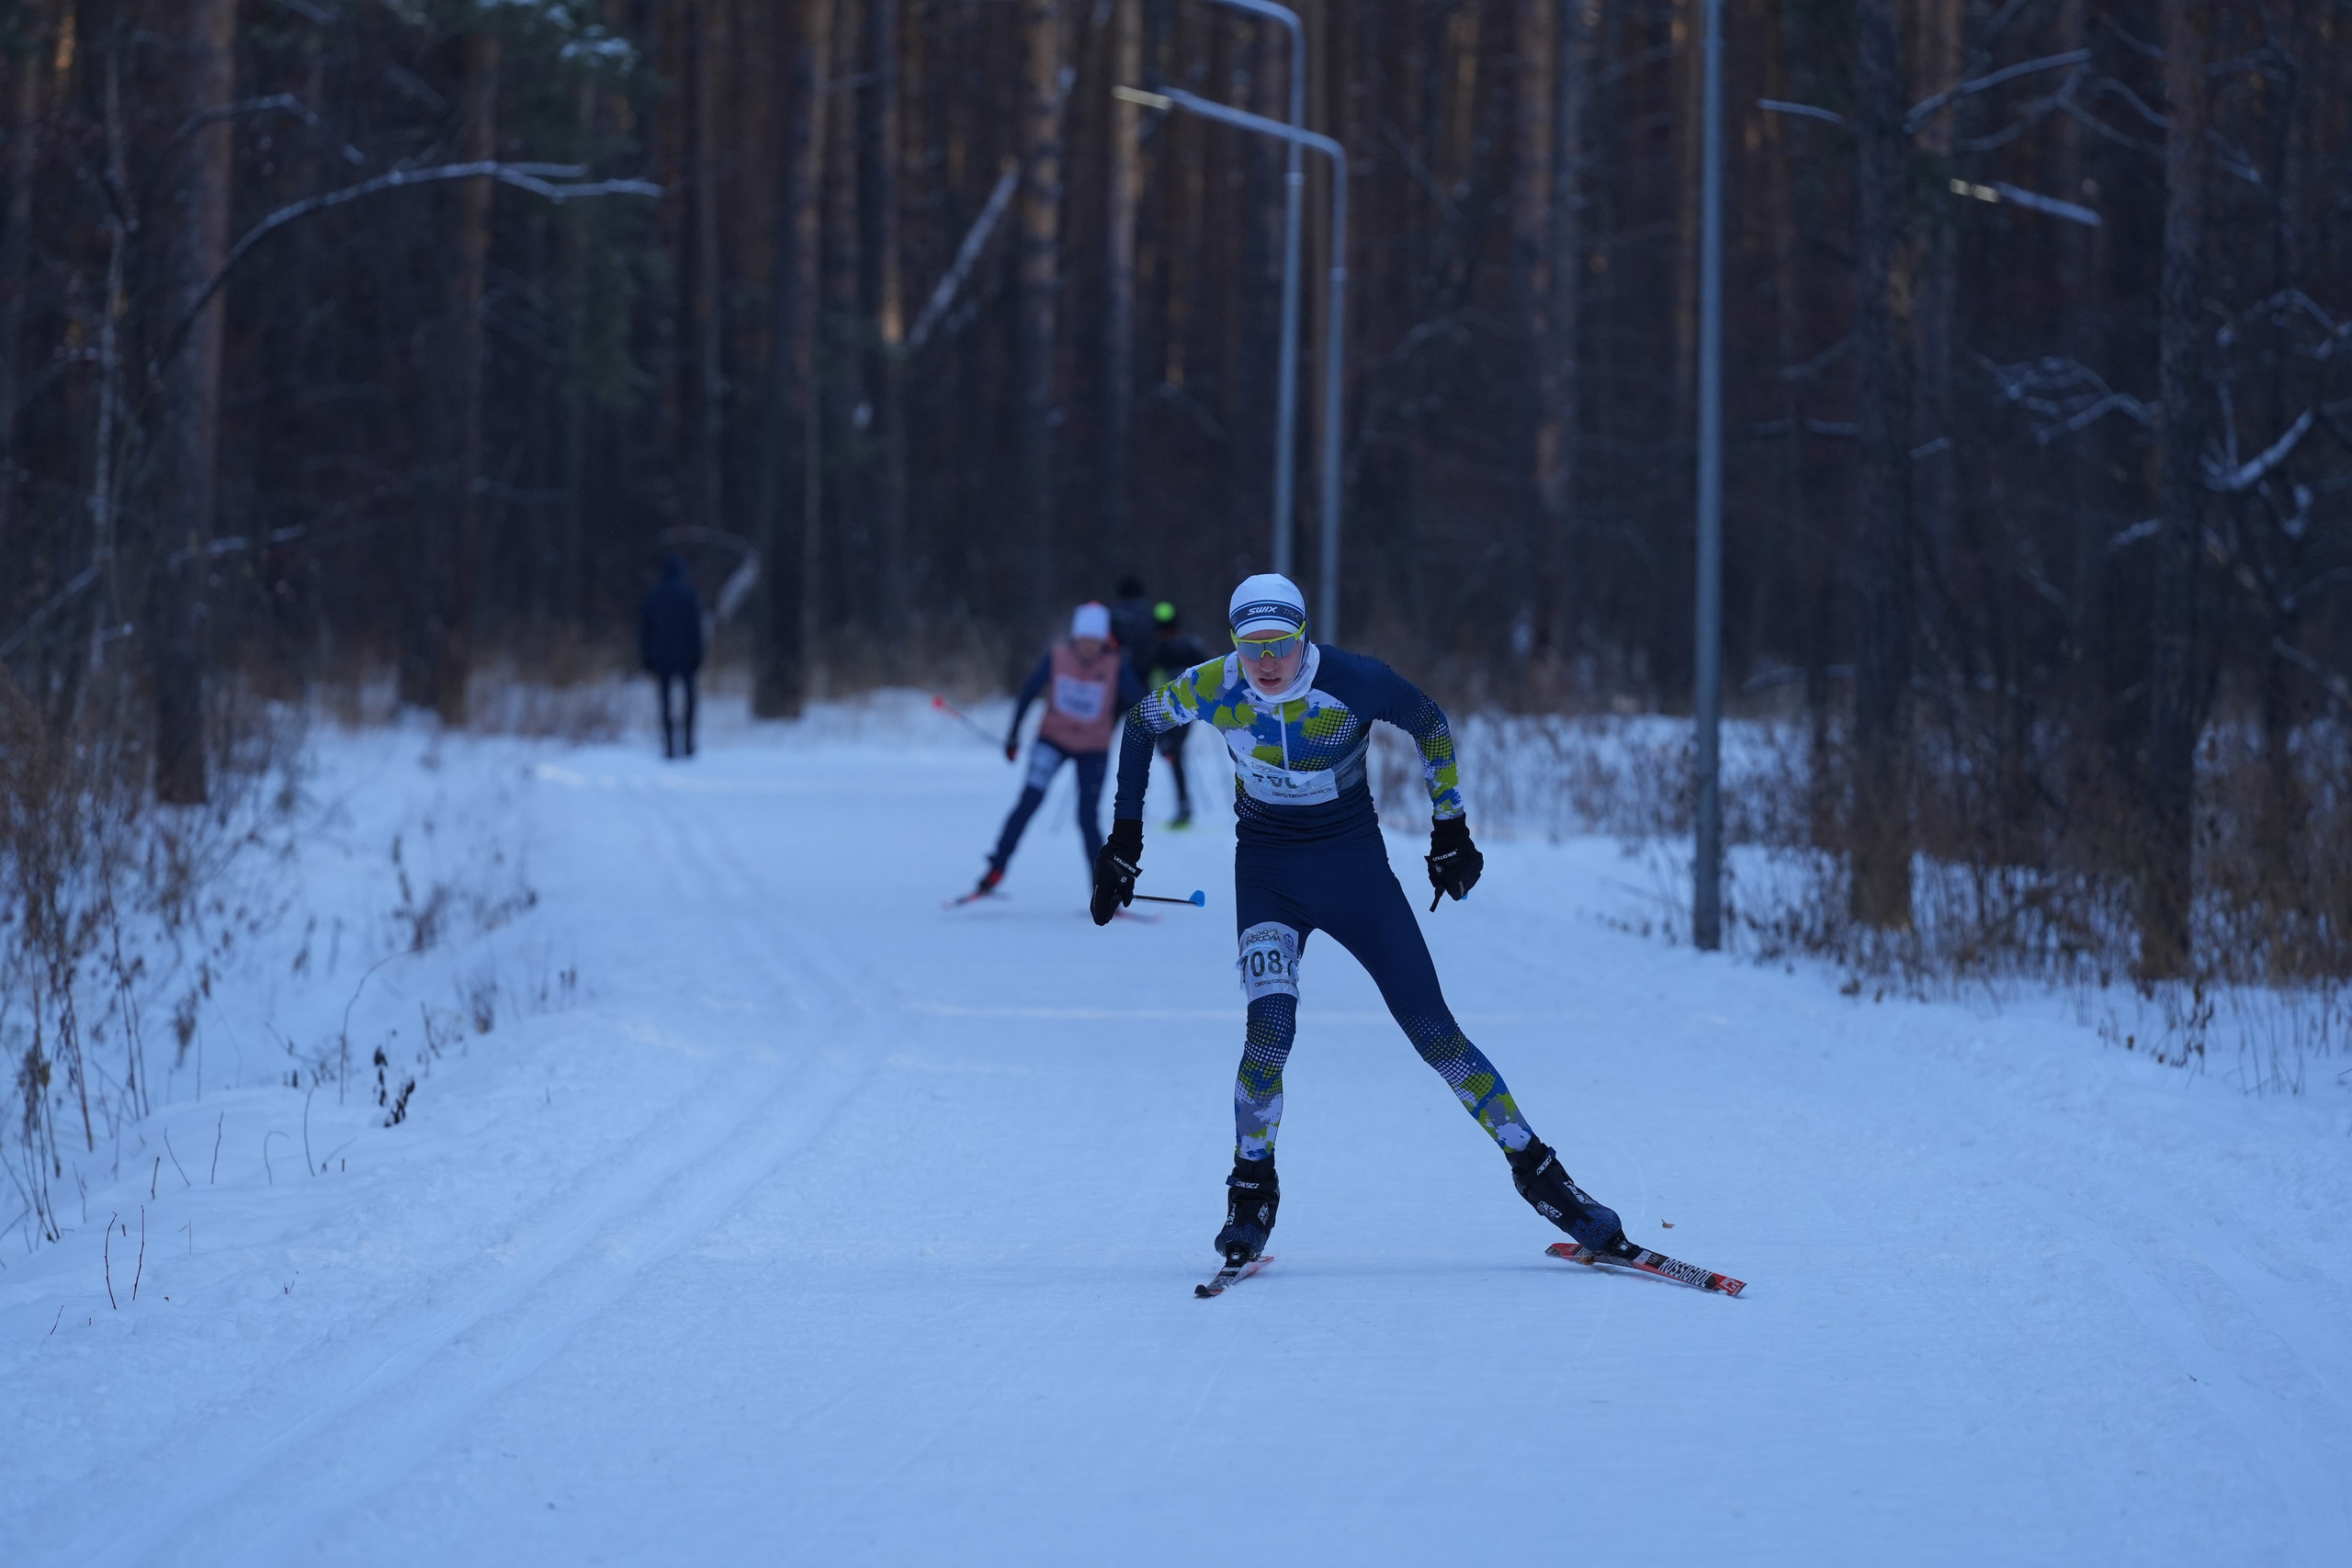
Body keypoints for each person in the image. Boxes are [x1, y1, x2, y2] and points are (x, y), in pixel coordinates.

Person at [1090, 571, 1632, 1269]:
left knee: (1436, 1033)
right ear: (1234, 643)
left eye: (1280, 642)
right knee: (1270, 1028)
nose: (1266, 660)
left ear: (1303, 634)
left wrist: (1452, 828)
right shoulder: (1212, 684)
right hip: (1268, 877)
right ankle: (1251, 1188)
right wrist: (1124, 841)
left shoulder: (1351, 678)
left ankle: (1544, 1175)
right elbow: (1140, 723)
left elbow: (1428, 719)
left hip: (1355, 873)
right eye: (1251, 645)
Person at [971, 603, 1147, 899]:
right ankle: (995, 871)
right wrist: (1013, 735)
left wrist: (1158, 736)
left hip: (1093, 749)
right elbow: (1028, 692)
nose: (1088, 647)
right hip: (1051, 741)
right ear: (1075, 637)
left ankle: (1102, 889)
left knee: (1087, 819)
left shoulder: (1116, 665)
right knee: (1028, 803)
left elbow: (1141, 703)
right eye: (1083, 639)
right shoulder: (1058, 657)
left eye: (1095, 640)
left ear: (1104, 639)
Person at [1144, 601, 1211, 828]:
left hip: (1168, 711)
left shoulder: (1156, 648)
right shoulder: (1191, 644)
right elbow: (1208, 670)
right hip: (1187, 710)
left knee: (1172, 752)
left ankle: (1184, 807)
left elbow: (1148, 678)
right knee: (1174, 753)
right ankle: (1184, 805)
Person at [639, 554, 706, 760]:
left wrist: (646, 656)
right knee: (690, 700)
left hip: (661, 657)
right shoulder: (689, 595)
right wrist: (698, 655)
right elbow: (696, 629)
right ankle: (688, 745)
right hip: (686, 657)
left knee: (665, 702)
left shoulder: (653, 595)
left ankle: (668, 747)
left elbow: (644, 630)